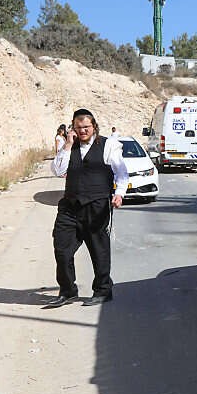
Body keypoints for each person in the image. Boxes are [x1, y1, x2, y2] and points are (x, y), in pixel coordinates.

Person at [44, 108, 128, 308]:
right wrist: (68, 145)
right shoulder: (68, 146)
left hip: (96, 206)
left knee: (99, 251)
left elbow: (121, 173)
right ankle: (68, 290)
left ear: (94, 126)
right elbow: (58, 171)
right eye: (78, 127)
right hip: (70, 207)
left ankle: (103, 290)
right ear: (73, 128)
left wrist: (119, 193)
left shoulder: (109, 145)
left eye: (86, 127)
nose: (82, 131)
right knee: (62, 250)